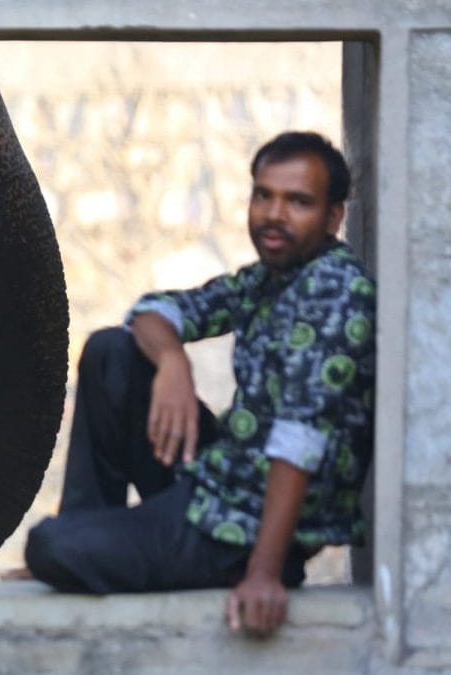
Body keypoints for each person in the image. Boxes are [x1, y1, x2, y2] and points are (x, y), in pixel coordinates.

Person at [18, 131, 376, 637]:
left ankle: (97, 551)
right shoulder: (269, 279)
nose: (275, 214)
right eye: (264, 195)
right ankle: (89, 534)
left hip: (247, 529)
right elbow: (155, 311)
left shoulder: (333, 293)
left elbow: (300, 441)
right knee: (112, 353)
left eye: (298, 202)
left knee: (49, 546)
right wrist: (173, 364)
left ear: (333, 217)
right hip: (218, 483)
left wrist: (264, 575)